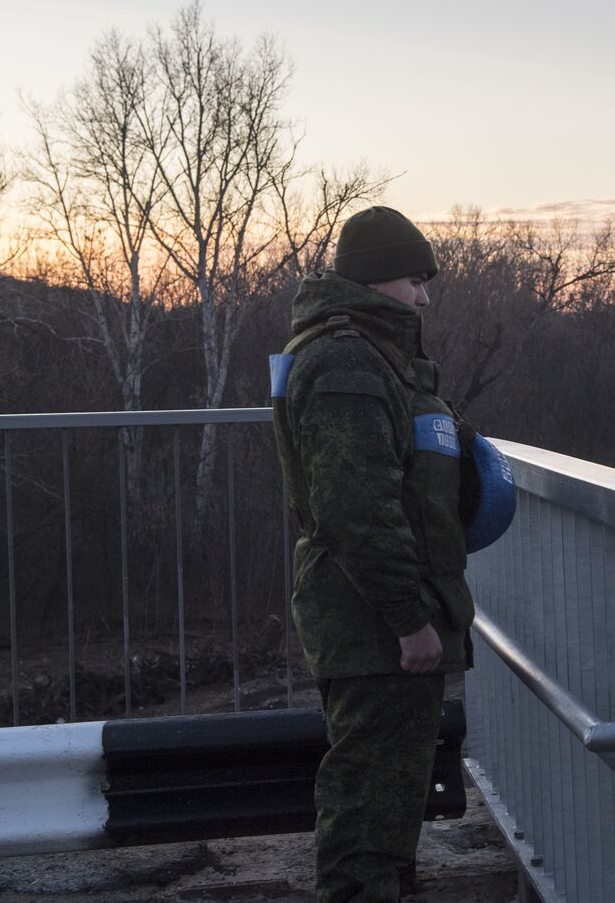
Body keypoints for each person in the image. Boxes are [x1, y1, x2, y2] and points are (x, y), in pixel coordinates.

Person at [272, 205, 475, 902]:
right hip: (374, 628)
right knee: (366, 819)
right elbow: (356, 509)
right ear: (375, 281)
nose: (424, 296)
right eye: (415, 280)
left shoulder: (380, 359)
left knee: (388, 813)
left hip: (382, 623)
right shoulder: (346, 362)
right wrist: (408, 619)